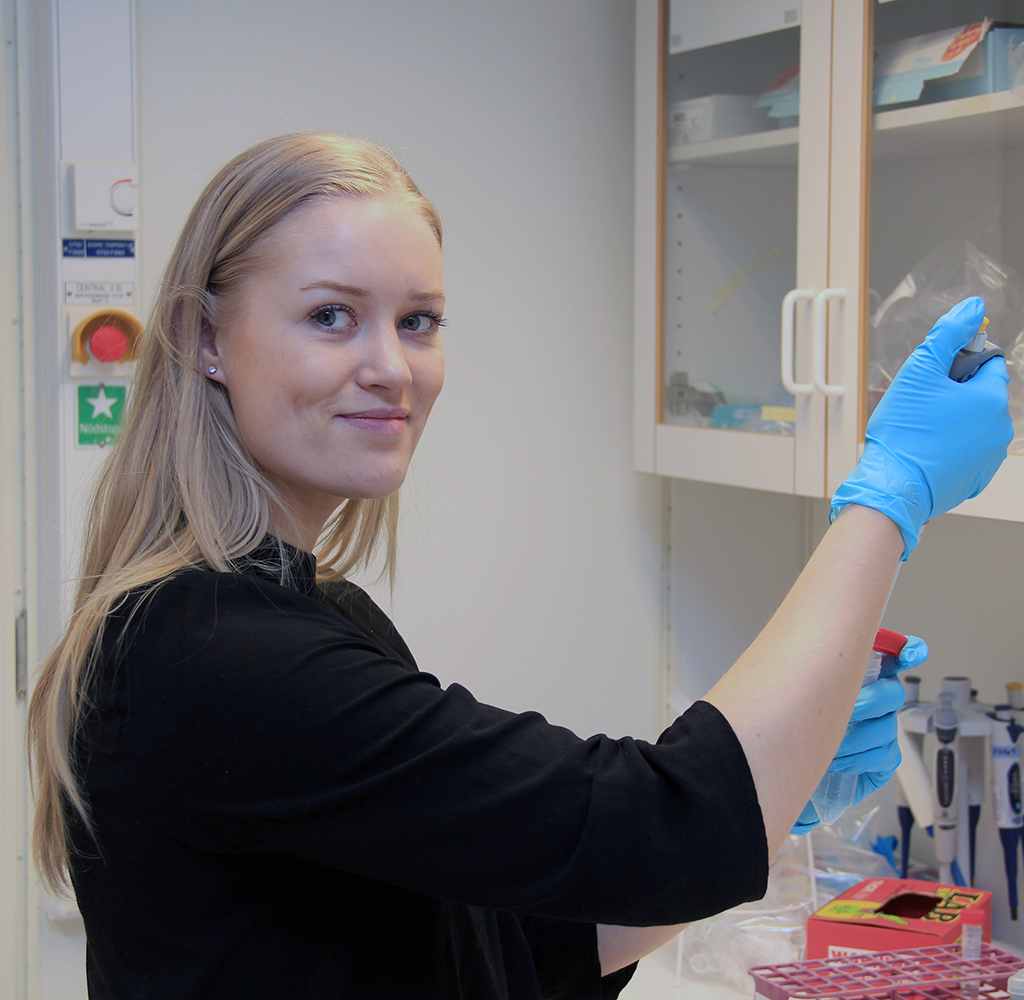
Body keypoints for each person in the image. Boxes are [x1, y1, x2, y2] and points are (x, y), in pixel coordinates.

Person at [27, 133, 1012, 1000]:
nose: (391, 365)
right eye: (332, 315)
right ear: (206, 338)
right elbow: (655, 827)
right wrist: (890, 495)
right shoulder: (213, 655)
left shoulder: (311, 609)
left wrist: (770, 790)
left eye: (418, 320)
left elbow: (502, 945)